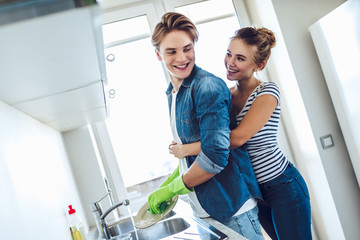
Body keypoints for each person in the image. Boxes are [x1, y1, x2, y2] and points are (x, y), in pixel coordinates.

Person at [170, 26, 312, 240]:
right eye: (229, 54)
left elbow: (236, 139)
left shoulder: (267, 93)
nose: (230, 62)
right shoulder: (226, 94)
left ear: (259, 65)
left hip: (283, 185)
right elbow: (213, 137)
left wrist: (187, 149)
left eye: (240, 58)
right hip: (254, 190)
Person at [147, 12, 264, 240]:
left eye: (187, 48)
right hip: (205, 210)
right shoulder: (173, 93)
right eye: (171, 51)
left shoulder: (206, 87)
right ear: (158, 55)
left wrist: (173, 188)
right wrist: (172, 179)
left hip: (231, 208)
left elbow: (215, 154)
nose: (182, 58)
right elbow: (193, 148)